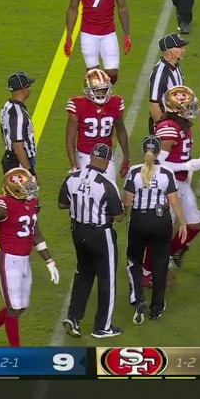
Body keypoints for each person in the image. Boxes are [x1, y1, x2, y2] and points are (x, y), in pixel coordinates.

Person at [0, 167, 60, 347]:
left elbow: (35, 232)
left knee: (20, 307)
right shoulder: (3, 204)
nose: (32, 188)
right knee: (13, 309)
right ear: (17, 189)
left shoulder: (32, 201)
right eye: (28, 186)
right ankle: (16, 352)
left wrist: (49, 260)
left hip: (24, 260)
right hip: (8, 260)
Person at [59, 143, 126, 339]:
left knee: (83, 274)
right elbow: (119, 215)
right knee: (107, 278)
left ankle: (73, 317)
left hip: (78, 231)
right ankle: (102, 327)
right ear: (105, 161)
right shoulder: (106, 184)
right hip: (100, 234)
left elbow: (62, 203)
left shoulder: (72, 177)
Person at [123, 136, 188, 322]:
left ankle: (138, 298)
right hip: (161, 220)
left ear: (144, 152)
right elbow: (174, 201)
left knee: (134, 261)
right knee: (159, 264)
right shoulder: (167, 172)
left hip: (139, 219)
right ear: (159, 152)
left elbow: (127, 202)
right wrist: (183, 223)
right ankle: (157, 307)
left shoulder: (135, 171)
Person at [154, 86, 200, 269]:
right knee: (163, 229)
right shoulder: (168, 129)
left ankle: (170, 253)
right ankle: (153, 265)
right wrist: (185, 165)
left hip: (182, 183)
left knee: (195, 225)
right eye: (188, 106)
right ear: (176, 109)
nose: (192, 109)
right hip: (168, 186)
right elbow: (157, 164)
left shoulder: (182, 124)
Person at [66, 68, 130, 183]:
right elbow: (70, 138)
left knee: (111, 190)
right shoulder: (77, 105)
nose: (101, 94)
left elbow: (121, 130)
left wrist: (126, 156)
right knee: (87, 191)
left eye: (104, 90)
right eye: (97, 91)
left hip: (106, 155)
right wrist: (74, 165)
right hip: (85, 155)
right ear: (88, 90)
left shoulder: (116, 103)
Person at [148, 34, 188, 134]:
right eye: (180, 47)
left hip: (177, 119)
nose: (184, 50)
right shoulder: (160, 72)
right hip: (165, 123)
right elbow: (154, 104)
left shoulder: (176, 65)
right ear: (170, 51)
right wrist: (163, 129)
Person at [0, 72, 37, 174]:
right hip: (19, 162)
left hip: (11, 158)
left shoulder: (8, 105)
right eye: (29, 86)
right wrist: (29, 171)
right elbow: (17, 145)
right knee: (25, 189)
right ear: (24, 90)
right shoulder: (18, 114)